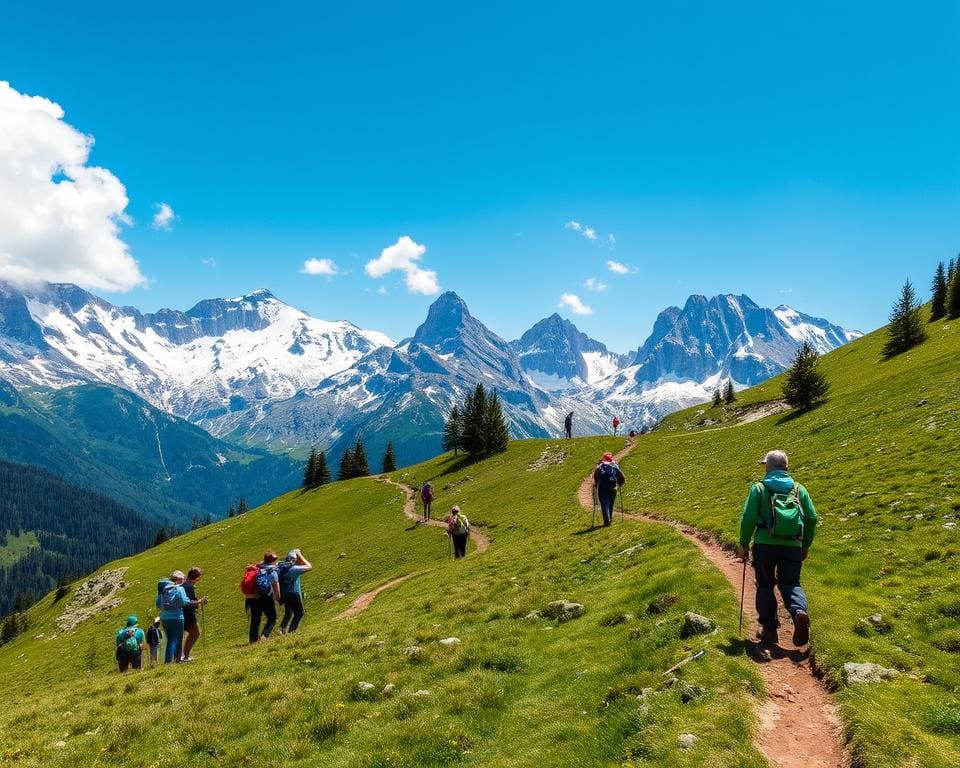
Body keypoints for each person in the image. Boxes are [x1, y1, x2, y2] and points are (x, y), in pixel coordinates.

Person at [736, 450, 819, 647]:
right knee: (791, 583)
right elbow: (812, 518)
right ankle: (799, 611)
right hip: (793, 545)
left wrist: (743, 543)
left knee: (765, 585)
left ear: (768, 466)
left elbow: (748, 519)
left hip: (765, 545)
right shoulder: (799, 489)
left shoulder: (759, 488)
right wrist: (805, 544)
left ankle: (770, 631)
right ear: (786, 467)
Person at [156, 570, 207, 664]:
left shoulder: (163, 589)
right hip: (177, 616)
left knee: (171, 639)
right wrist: (199, 602)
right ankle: (177, 660)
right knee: (178, 640)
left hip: (164, 617)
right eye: (183, 578)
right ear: (179, 579)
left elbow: (158, 604)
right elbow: (185, 602)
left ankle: (168, 662)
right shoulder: (179, 589)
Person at [247, 551, 282, 643]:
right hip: (266, 597)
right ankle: (264, 636)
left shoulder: (258, 568)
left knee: (255, 619)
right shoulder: (272, 572)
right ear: (273, 560)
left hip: (254, 597)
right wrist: (277, 598)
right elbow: (277, 591)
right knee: (272, 618)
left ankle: (252, 641)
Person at [278, 549, 313, 634]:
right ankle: (291, 632)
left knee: (288, 612)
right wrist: (300, 555)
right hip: (293, 593)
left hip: (284, 593)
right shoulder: (294, 569)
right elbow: (309, 566)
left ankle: (282, 630)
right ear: (294, 559)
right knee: (299, 613)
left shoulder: (281, 566)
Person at [593, 452, 625, 527]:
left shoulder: (600, 466)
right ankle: (610, 518)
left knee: (604, 504)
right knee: (611, 504)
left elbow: (596, 477)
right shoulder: (614, 466)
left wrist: (595, 485)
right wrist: (619, 485)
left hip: (602, 488)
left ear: (604, 458)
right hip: (613, 487)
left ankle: (607, 521)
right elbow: (621, 477)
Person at [181, 567, 205, 661]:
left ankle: (184, 655)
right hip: (188, 614)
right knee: (195, 633)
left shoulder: (184, 585)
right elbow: (190, 602)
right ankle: (185, 656)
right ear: (196, 577)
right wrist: (200, 602)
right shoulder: (189, 586)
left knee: (193, 633)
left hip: (184, 613)